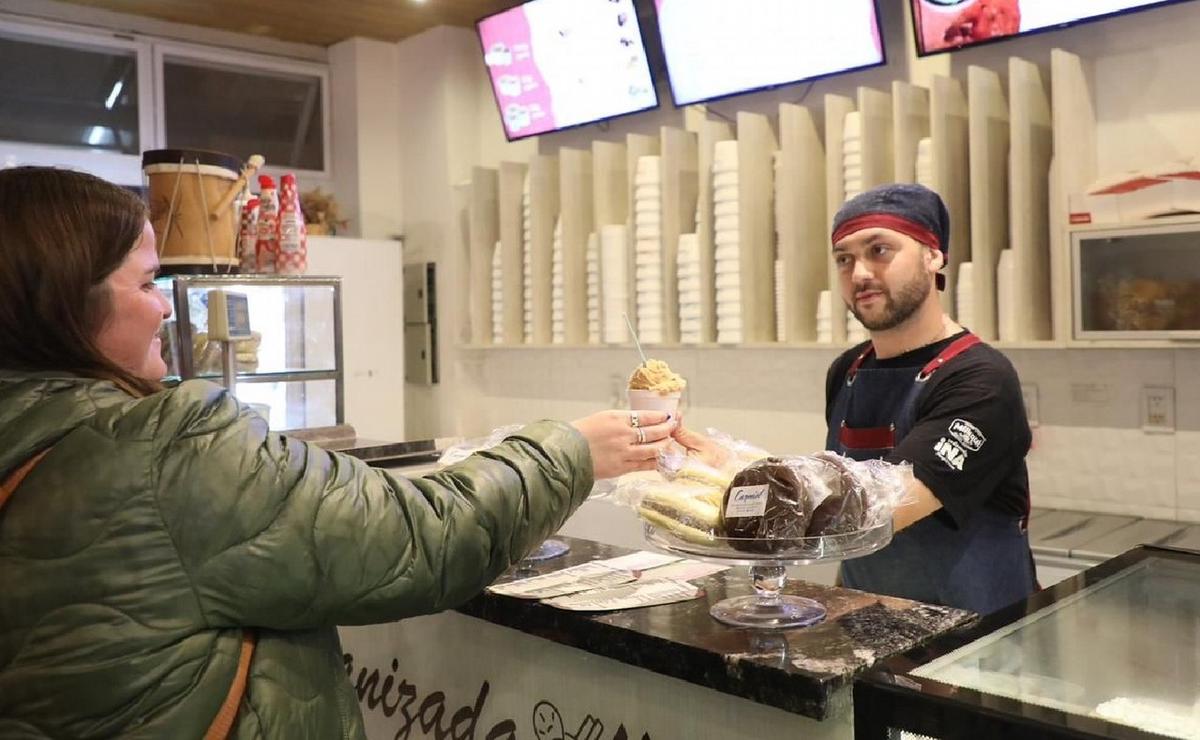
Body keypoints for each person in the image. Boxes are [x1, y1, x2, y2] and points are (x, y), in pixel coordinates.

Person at [0, 166, 677, 739]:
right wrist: (571, 449)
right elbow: (420, 535)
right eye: (148, 284)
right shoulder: (164, 449)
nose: (166, 309)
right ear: (65, 301)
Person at [678, 183, 1035, 616]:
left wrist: (740, 494)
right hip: (869, 625)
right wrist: (726, 470)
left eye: (880, 250)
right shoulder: (848, 371)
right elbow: (838, 501)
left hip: (974, 645)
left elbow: (873, 510)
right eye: (844, 259)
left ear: (933, 255)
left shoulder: (980, 380)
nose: (860, 273)